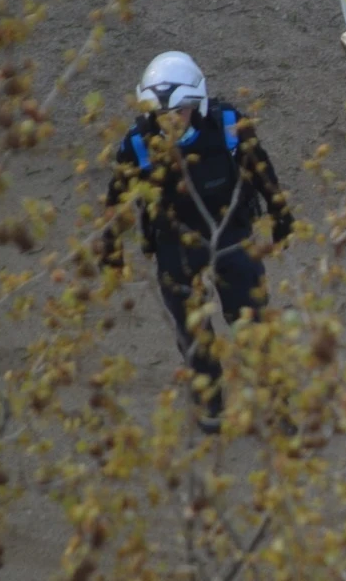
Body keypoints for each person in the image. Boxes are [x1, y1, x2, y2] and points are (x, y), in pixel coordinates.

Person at [98, 51, 295, 435]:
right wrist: (110, 248)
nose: (172, 120)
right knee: (193, 331)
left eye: (181, 111)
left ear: (197, 103)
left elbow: (262, 170)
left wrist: (281, 215)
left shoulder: (227, 126)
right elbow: (117, 198)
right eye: (162, 112)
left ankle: (272, 400)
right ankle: (210, 398)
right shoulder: (138, 145)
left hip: (231, 232)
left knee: (251, 322)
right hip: (174, 241)